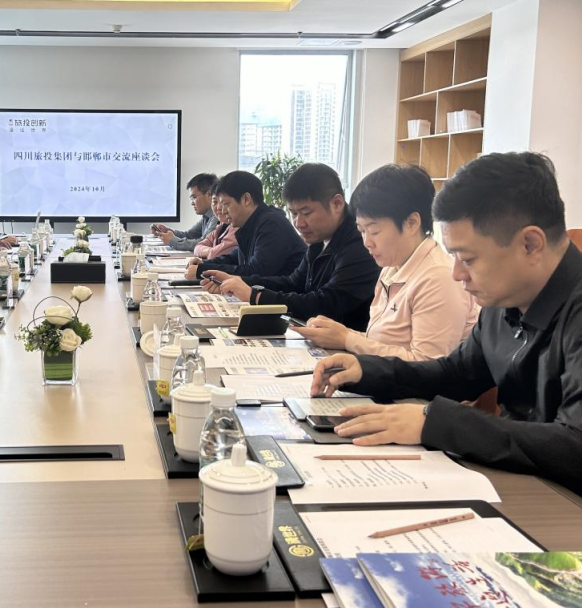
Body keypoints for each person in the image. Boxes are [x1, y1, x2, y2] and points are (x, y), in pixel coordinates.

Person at [311, 152, 582, 495]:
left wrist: (434, 423)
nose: (457, 273)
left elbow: (574, 445)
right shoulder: (505, 297)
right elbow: (456, 374)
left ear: (530, 244)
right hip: (520, 480)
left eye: (467, 258)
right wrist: (367, 371)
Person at [294, 164, 478, 360]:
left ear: (411, 223)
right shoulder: (391, 267)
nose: (367, 242)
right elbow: (383, 342)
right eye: (361, 231)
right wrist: (340, 334)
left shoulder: (439, 277)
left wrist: (347, 339)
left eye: (374, 231)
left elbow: (428, 364)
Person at [201, 163, 379, 331]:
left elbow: (326, 304)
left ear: (337, 204)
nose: (299, 223)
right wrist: (238, 282)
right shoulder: (320, 239)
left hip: (345, 345)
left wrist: (254, 295)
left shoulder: (360, 244)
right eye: (293, 213)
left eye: (306, 213)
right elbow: (293, 283)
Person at [183, 170, 305, 280]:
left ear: (246, 199)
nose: (223, 211)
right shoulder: (250, 224)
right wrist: (204, 264)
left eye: (226, 204)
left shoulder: (271, 224)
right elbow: (234, 258)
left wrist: (202, 271)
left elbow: (255, 271)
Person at [151, 173, 219, 251]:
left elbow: (204, 244)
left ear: (209, 194)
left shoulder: (217, 216)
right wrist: (167, 231)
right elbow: (189, 235)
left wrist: (172, 241)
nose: (192, 203)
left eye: (194, 197)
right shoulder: (206, 216)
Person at [193, 191, 238, 260]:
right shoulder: (220, 226)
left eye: (224, 203)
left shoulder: (237, 227)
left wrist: (211, 251)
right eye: (215, 202)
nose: (219, 207)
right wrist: (211, 251)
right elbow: (197, 247)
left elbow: (215, 255)